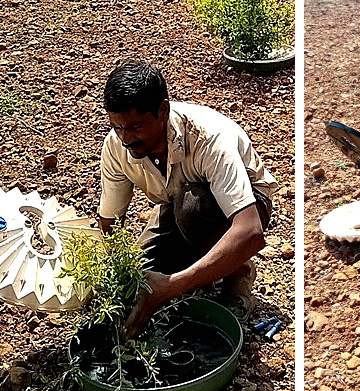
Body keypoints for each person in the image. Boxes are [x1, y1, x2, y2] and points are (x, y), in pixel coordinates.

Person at [98, 60, 278, 338]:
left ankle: (238, 274)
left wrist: (173, 285)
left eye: (135, 127)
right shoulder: (116, 146)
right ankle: (202, 266)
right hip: (175, 203)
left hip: (245, 203)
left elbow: (250, 231)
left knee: (193, 209)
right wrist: (113, 274)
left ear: (162, 111)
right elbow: (111, 222)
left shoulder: (208, 138)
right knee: (138, 277)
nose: (125, 138)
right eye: (117, 127)